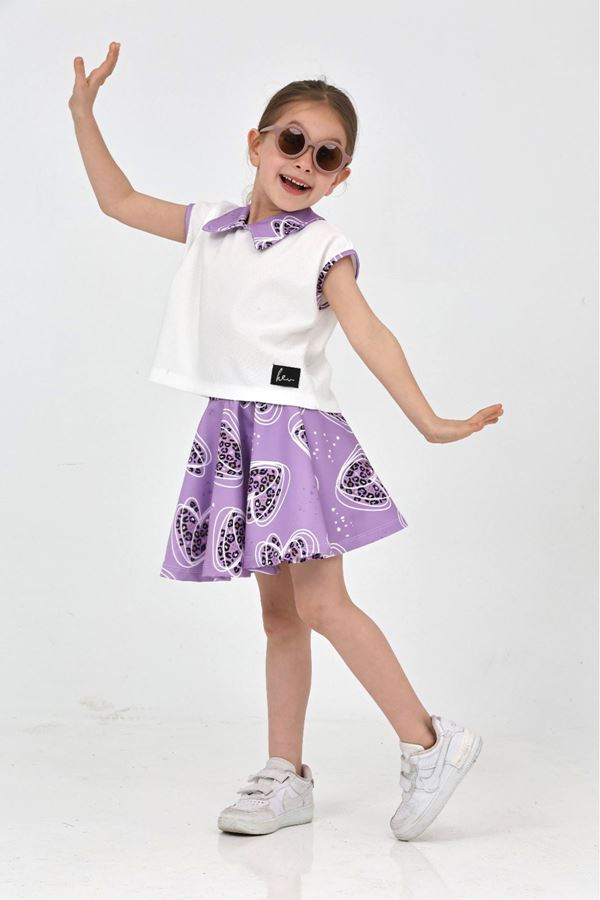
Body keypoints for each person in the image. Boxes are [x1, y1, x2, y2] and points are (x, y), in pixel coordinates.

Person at [69, 41, 502, 841]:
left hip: (293, 435)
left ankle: (429, 741)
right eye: (293, 141)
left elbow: (370, 333)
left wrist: (429, 420)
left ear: (341, 176)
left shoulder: (324, 248)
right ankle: (286, 772)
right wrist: (81, 113)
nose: (304, 161)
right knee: (280, 616)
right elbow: (118, 200)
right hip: (237, 431)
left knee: (322, 602)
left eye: (326, 155)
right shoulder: (212, 227)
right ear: (257, 143)